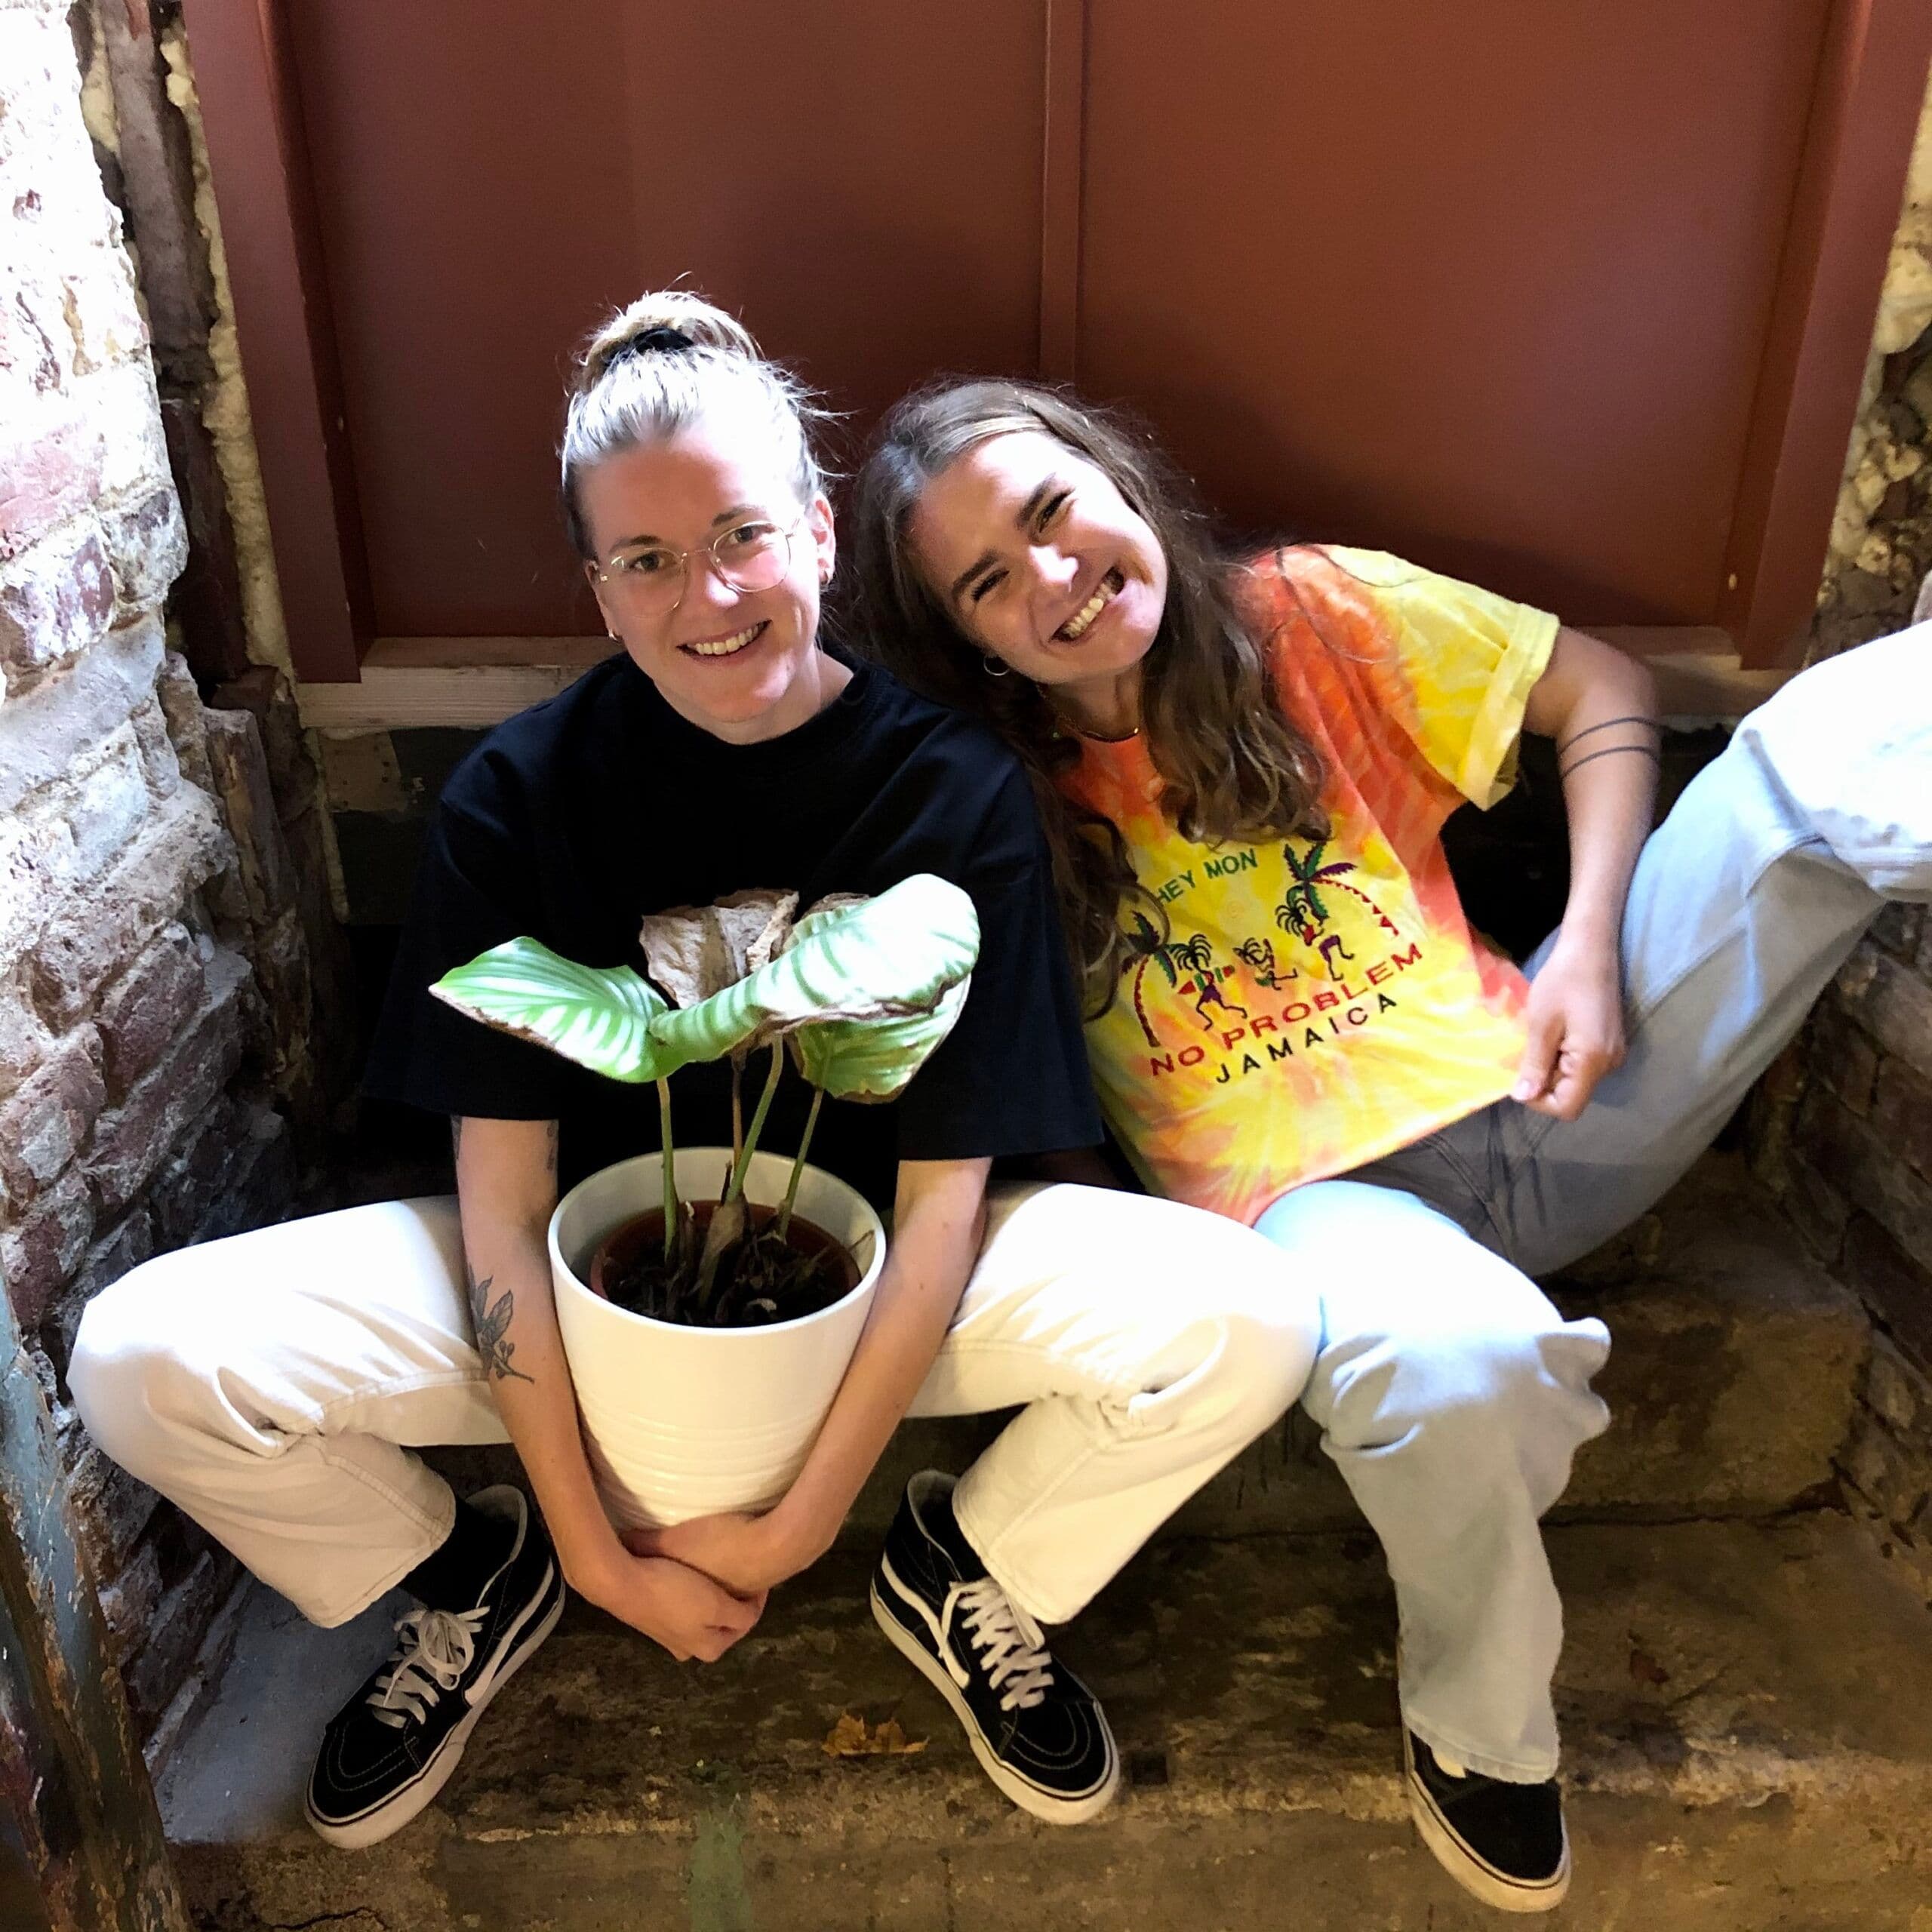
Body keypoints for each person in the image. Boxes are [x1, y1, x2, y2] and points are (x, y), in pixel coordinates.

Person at [67, 300, 1323, 1849]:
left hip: (874, 1303)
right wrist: (592, 1549)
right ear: (599, 591)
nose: (708, 596)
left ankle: (973, 1567)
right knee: (138, 1360)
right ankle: (470, 1574)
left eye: (741, 536)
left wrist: (799, 1524)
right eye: (647, 559)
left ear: (815, 531)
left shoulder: (953, 788)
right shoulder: (513, 797)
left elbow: (944, 1207)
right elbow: (502, 1206)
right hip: (582, 1308)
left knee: (1251, 1319)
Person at [849, 377, 1932, 1912]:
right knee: (1462, 1366)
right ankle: (1481, 1733)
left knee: (1826, 746)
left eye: (1050, 508)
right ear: (966, 637)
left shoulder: (1305, 612)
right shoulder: (983, 790)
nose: (1051, 575)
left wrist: (1585, 944)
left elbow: (1598, 688)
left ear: (1112, 475)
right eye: (986, 580)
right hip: (1318, 1211)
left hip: (1553, 1083)